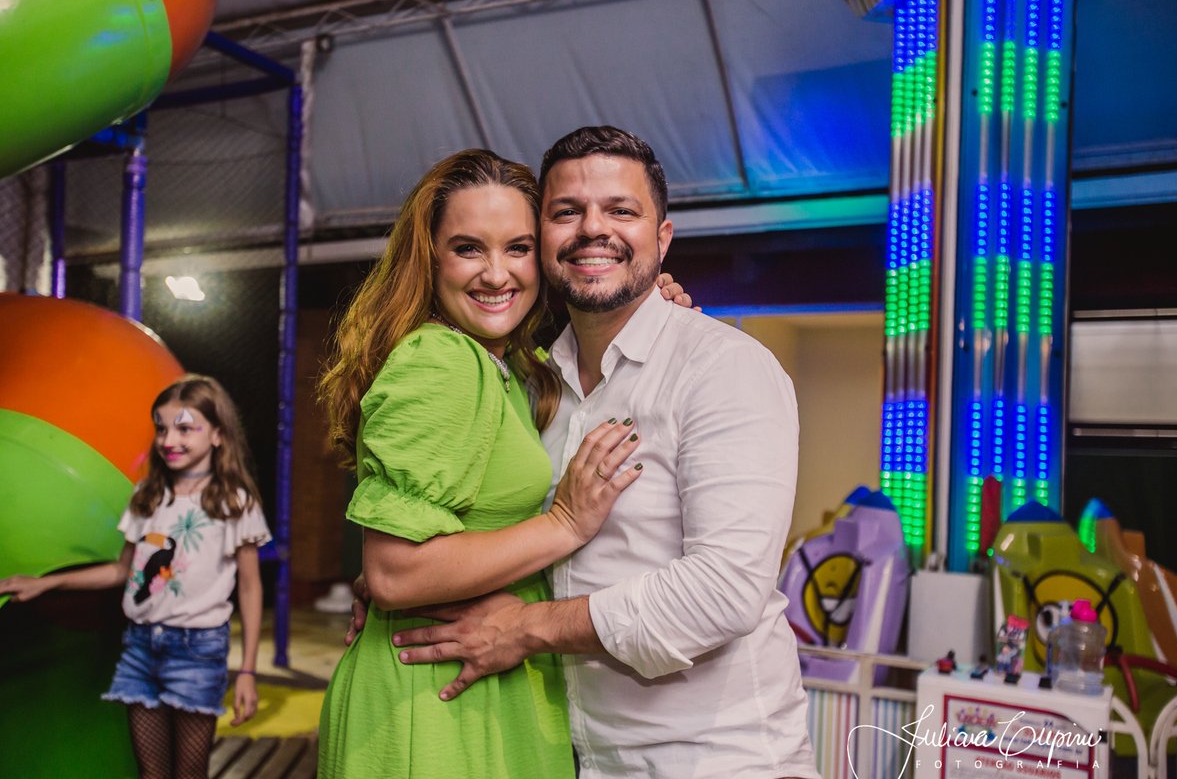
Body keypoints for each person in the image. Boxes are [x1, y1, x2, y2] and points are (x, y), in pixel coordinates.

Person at [380, 127, 820, 779]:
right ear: (541, 241)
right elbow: (496, 529)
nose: (593, 229)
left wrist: (526, 628)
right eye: (567, 211)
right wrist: (406, 574)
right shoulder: (535, 387)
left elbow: (723, 590)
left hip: (721, 761)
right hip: (580, 759)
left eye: (620, 210)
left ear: (661, 239)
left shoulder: (723, 368)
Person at [315, 149, 694, 779]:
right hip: (431, 696)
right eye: (468, 248)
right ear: (429, 258)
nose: (496, 274)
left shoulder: (513, 369)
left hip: (481, 676)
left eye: (517, 248)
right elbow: (394, 573)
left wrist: (652, 309)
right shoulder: (442, 360)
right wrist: (564, 525)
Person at [0, 374, 270, 779]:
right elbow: (122, 570)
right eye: (161, 428)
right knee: (150, 773)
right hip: (140, 648)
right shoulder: (147, 495)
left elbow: (250, 587)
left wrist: (247, 670)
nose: (169, 440)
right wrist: (47, 582)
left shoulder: (234, 502)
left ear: (217, 434)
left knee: (190, 774)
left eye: (184, 428)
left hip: (197, 652)